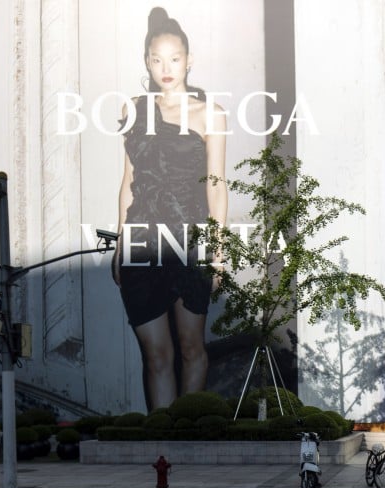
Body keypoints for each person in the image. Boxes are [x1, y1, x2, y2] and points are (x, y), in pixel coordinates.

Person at [112, 7, 227, 411]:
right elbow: (129, 182)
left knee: (191, 347)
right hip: (141, 244)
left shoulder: (210, 113)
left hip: (190, 241)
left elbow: (216, 186)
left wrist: (218, 253)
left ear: (189, 61)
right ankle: (162, 447)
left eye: (174, 59)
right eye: (157, 59)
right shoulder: (132, 110)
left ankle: (189, 436)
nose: (166, 67)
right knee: (157, 355)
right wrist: (119, 244)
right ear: (147, 61)